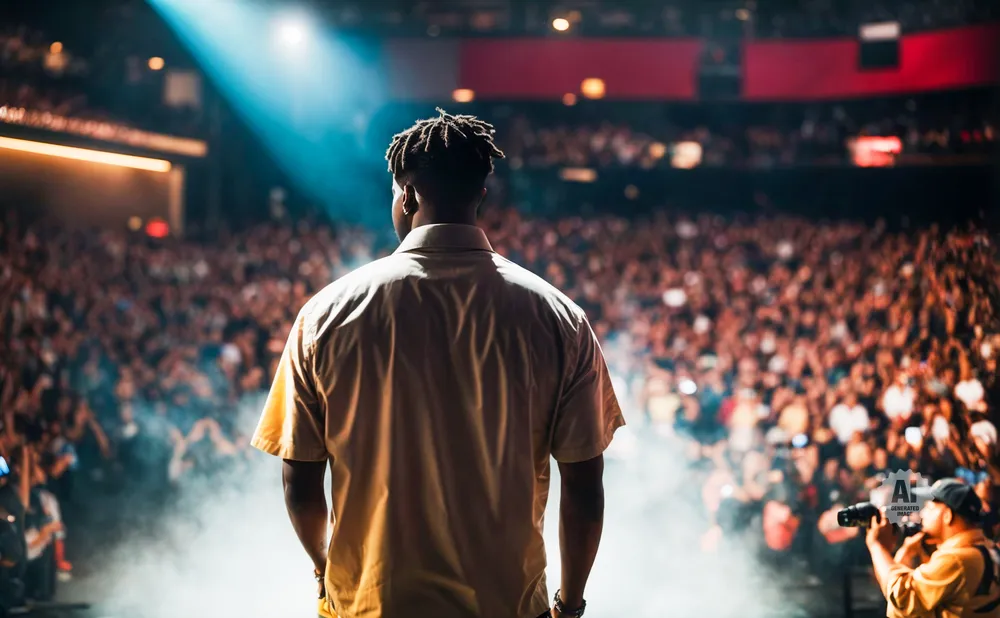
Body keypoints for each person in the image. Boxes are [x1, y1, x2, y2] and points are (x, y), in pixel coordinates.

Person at [251, 109, 625, 618]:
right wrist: (570, 603)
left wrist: (325, 573)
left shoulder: (325, 315)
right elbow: (583, 487)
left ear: (407, 195)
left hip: (371, 604)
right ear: (481, 195)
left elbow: (300, 480)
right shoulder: (560, 317)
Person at [866, 478, 1000, 618]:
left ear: (947, 516)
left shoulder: (957, 560)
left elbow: (901, 599)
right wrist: (906, 554)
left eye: (929, 508)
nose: (922, 514)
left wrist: (877, 545)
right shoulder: (986, 549)